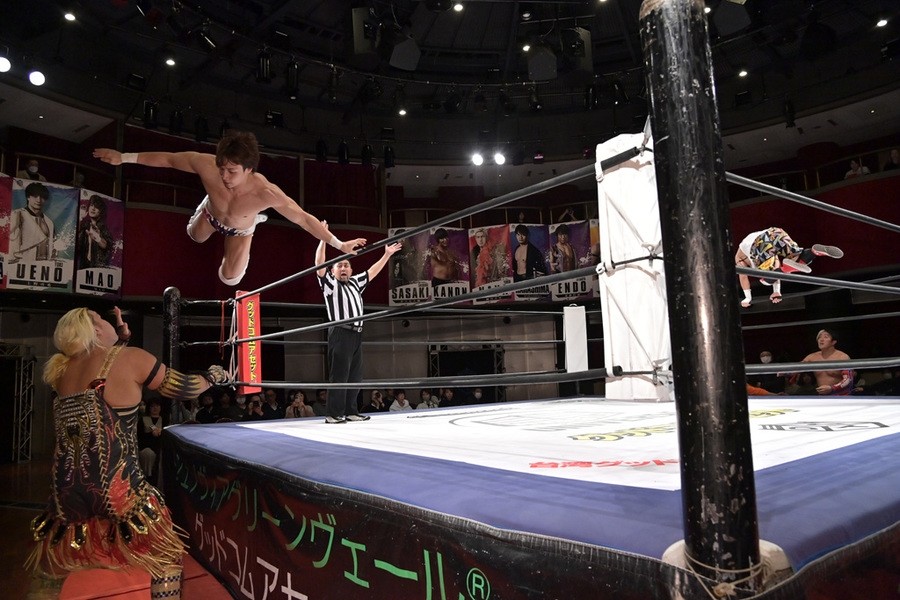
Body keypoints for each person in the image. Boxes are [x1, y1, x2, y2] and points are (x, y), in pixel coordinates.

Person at [27, 307, 230, 599]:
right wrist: (213, 376)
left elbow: (104, 371)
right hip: (118, 489)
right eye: (103, 319)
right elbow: (186, 388)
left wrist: (121, 337)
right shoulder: (131, 358)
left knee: (57, 563)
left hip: (67, 491)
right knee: (166, 558)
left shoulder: (63, 369)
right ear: (96, 330)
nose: (111, 322)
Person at [93, 131, 367, 285]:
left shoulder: (266, 193)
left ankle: (252, 224)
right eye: (221, 168)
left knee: (229, 279)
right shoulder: (207, 166)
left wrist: (339, 243)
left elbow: (304, 219)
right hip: (212, 214)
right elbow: (169, 159)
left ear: (249, 169)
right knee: (194, 236)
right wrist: (124, 157)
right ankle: (208, 206)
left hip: (239, 229)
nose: (224, 176)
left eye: (232, 171)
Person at [316, 221, 402, 423]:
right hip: (340, 332)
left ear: (351, 270)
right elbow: (319, 264)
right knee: (339, 375)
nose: (343, 268)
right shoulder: (330, 284)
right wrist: (323, 238)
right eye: (339, 266)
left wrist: (387, 255)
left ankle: (351, 411)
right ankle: (333, 414)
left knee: (355, 376)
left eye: (346, 265)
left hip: (357, 334)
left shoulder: (355, 282)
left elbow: (372, 271)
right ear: (333, 271)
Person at [734, 227, 843, 307]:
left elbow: (743, 277)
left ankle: (787, 268)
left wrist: (748, 298)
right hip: (776, 232)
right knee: (797, 259)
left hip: (759, 244)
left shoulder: (740, 258)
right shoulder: (764, 257)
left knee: (765, 280)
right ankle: (814, 252)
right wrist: (776, 291)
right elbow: (775, 270)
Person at [793, 329, 854, 395]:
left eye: (826, 337)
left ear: (833, 342)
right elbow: (794, 369)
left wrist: (832, 388)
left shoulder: (842, 357)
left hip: (841, 396)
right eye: (819, 337)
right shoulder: (812, 357)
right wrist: (785, 371)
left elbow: (848, 380)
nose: (821, 340)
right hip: (822, 396)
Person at [9, 182, 55, 263]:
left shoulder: (49, 222)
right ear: (28, 197)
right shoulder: (17, 214)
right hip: (20, 264)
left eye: (42, 197)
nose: (38, 200)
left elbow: (51, 245)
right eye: (35, 196)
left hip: (43, 266)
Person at [76, 194, 114, 269]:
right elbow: (77, 244)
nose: (93, 208)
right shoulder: (85, 226)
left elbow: (106, 246)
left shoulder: (103, 228)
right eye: (91, 205)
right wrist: (80, 218)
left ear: (101, 211)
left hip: (98, 267)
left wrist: (98, 238)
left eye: (96, 207)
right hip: (84, 267)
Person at [138, 396, 168, 483]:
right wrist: (151, 433)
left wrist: (161, 432)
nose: (155, 408)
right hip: (146, 446)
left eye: (157, 406)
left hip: (160, 446)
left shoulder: (164, 419)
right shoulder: (143, 419)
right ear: (149, 408)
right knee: (148, 453)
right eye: (152, 406)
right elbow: (139, 436)